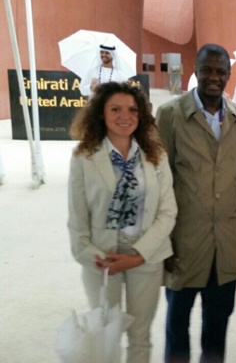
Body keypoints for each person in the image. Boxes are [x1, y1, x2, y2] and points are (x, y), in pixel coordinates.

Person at [155, 43, 236, 363]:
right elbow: (161, 177)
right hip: (185, 236)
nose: (213, 77)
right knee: (177, 321)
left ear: (229, 75)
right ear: (196, 72)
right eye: (206, 70)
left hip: (226, 237)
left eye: (220, 71)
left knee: (217, 321)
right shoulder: (171, 115)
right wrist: (162, 238)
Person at [68, 82, 177, 363]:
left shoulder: (156, 157)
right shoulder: (84, 157)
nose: (124, 116)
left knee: (140, 336)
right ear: (101, 114)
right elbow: (77, 219)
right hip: (101, 259)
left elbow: (168, 211)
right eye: (115, 109)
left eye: (132, 110)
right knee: (106, 334)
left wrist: (139, 256)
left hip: (146, 255)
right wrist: (95, 257)